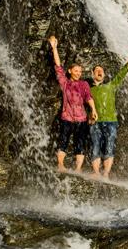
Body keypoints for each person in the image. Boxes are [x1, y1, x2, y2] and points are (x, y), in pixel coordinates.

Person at [89, 46, 128, 179]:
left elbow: (122, 73)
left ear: (104, 74)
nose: (100, 72)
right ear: (92, 74)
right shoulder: (88, 89)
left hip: (111, 121)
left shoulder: (111, 86)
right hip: (95, 121)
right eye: (97, 70)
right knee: (95, 146)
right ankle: (96, 173)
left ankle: (106, 173)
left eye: (102, 70)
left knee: (109, 147)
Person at [49, 36, 98, 173]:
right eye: (76, 70)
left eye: (80, 71)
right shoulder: (65, 83)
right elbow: (58, 67)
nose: (79, 73)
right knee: (63, 141)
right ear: (70, 71)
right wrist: (54, 48)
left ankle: (78, 169)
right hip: (67, 117)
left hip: (81, 118)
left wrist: (93, 110)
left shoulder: (84, 84)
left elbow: (89, 98)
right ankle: (60, 165)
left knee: (80, 143)